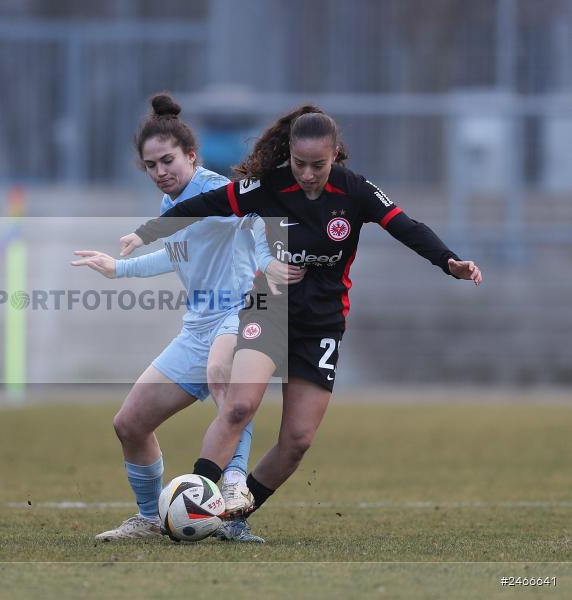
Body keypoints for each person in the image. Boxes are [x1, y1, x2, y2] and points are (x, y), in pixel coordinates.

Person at [119, 105, 482, 529]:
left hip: (322, 325)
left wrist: (449, 261)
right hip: (268, 307)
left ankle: (234, 521)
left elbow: (406, 226)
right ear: (287, 154)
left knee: (296, 442)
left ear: (336, 156)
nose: (308, 174)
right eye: (299, 164)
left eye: (318, 165)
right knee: (238, 406)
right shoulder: (268, 187)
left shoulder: (356, 191)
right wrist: (147, 232)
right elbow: (208, 203)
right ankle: (198, 502)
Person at [73, 94, 272, 543]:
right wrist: (117, 268)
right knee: (129, 424)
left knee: (224, 377)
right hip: (197, 328)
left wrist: (266, 262)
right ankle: (150, 518)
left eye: (168, 161)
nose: (161, 171)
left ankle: (234, 500)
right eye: (151, 165)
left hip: (239, 315)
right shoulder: (171, 206)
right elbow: (177, 253)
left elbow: (255, 220)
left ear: (191, 156)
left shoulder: (216, 190)